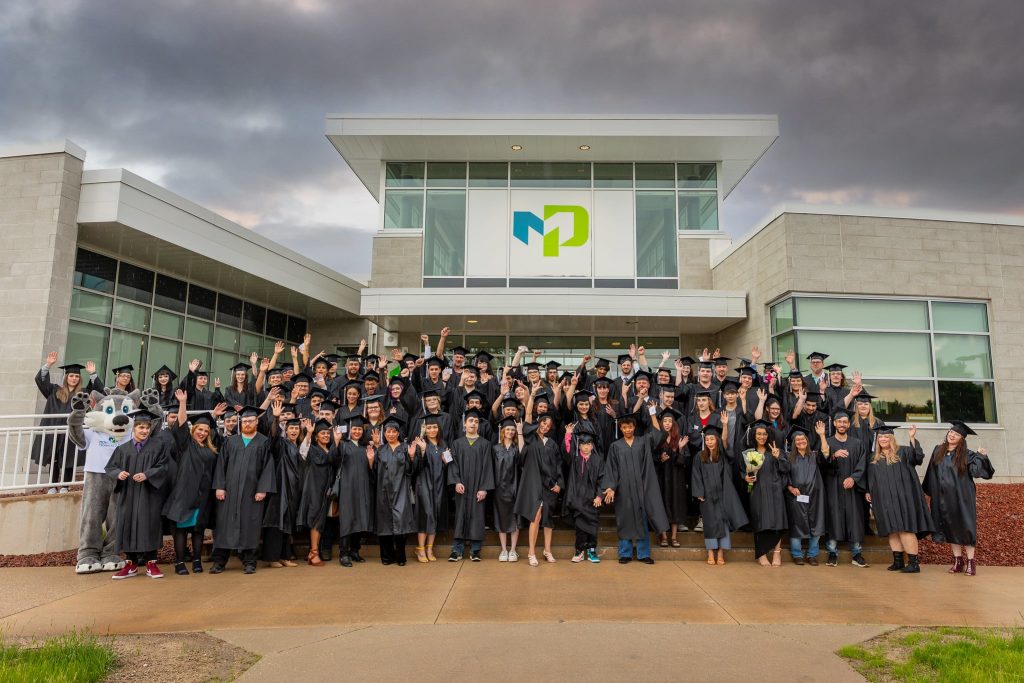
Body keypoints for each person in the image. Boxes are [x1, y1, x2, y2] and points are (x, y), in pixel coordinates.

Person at [922, 421, 995, 576]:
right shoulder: (938, 450)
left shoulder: (967, 454)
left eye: (956, 434)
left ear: (962, 438)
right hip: (943, 498)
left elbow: (977, 472)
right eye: (951, 432)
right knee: (950, 528)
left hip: (962, 498)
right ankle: (958, 561)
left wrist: (981, 457)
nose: (952, 435)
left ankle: (971, 562)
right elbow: (931, 472)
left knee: (966, 528)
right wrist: (931, 491)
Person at [210, 405, 276, 575]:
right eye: (244, 421)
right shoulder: (231, 441)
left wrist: (262, 489)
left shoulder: (263, 442)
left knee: (250, 526)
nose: (247, 424)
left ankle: (249, 561)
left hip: (252, 493)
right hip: (229, 492)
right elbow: (221, 465)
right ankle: (219, 561)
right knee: (224, 526)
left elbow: (268, 467)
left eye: (250, 421)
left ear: (256, 422)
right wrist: (220, 486)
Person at [162, 394, 223, 575]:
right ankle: (180, 563)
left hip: (203, 495)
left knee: (198, 529)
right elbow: (181, 424)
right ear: (193, 429)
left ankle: (197, 561)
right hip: (184, 493)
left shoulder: (211, 448)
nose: (202, 433)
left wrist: (214, 417)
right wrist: (182, 403)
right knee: (181, 529)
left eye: (206, 430)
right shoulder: (186, 444)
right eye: (199, 429)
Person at [105, 408, 170, 579]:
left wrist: (148, 474)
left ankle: (151, 563)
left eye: (147, 427)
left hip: (150, 494)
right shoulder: (122, 449)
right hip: (129, 494)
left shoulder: (158, 447)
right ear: (133, 428)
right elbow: (110, 467)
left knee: (149, 525)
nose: (144, 430)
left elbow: (164, 466)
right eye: (141, 427)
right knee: (127, 524)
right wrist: (118, 474)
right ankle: (131, 564)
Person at [601, 410, 670, 565]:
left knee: (642, 520)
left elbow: (658, 435)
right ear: (621, 428)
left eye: (630, 427)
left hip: (641, 488)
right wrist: (611, 487)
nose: (628, 430)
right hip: (623, 489)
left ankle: (643, 554)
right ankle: (624, 553)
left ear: (634, 427)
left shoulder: (643, 441)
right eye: (625, 427)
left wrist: (653, 415)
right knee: (624, 520)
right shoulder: (615, 446)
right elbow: (611, 468)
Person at [865, 424, 932, 574]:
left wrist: (912, 438)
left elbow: (918, 458)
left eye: (886, 436)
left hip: (904, 498)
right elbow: (871, 477)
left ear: (892, 438)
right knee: (892, 530)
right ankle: (898, 562)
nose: (883, 439)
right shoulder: (874, 457)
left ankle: (914, 563)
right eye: (880, 437)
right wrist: (868, 491)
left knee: (905, 528)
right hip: (884, 498)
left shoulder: (904, 451)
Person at [33, 354, 98, 490]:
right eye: (71, 376)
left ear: (79, 378)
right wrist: (48, 365)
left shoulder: (83, 393)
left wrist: (93, 374)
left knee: (69, 459)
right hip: (55, 430)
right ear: (66, 377)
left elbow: (98, 389)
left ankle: (65, 486)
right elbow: (40, 381)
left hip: (72, 432)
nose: (74, 378)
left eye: (77, 376)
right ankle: (52, 486)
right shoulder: (55, 390)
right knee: (54, 459)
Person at [690, 423, 747, 565]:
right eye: (707, 439)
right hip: (707, 497)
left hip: (722, 495)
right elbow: (696, 475)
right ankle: (710, 552)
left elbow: (727, 445)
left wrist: (725, 425)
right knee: (709, 524)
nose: (709, 442)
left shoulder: (723, 456)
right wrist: (699, 492)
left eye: (712, 439)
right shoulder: (699, 457)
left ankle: (721, 552)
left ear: (717, 440)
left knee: (723, 523)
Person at [514, 413, 563, 567]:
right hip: (535, 483)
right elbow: (528, 418)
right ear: (539, 422)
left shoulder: (552, 444)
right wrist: (531, 399)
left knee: (548, 518)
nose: (545, 427)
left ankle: (547, 550)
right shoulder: (531, 439)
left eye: (548, 426)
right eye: (543, 423)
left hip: (550, 485)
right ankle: (531, 552)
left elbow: (558, 464)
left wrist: (559, 483)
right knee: (535, 516)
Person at [371, 415, 420, 566]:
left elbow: (411, 471)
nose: (391, 434)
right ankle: (386, 557)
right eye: (388, 431)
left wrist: (412, 457)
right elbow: (374, 472)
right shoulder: (380, 450)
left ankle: (400, 556)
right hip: (383, 491)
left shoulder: (406, 448)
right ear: (384, 433)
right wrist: (371, 461)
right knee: (384, 524)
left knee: (401, 523)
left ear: (398, 433)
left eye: (394, 431)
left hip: (401, 490)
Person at [822, 409, 869, 567]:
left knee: (854, 518)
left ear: (849, 424)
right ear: (835, 424)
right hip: (832, 486)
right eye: (839, 422)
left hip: (852, 488)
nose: (842, 424)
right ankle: (832, 553)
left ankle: (857, 553)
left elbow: (863, 463)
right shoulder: (827, 442)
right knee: (833, 517)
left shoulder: (857, 443)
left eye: (845, 422)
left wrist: (854, 478)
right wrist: (833, 456)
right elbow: (820, 463)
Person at [447, 409, 495, 562]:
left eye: (476, 421)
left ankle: (475, 550)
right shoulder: (456, 443)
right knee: (460, 516)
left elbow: (488, 466)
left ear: (479, 425)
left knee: (477, 517)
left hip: (478, 487)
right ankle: (457, 550)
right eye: (470, 421)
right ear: (465, 424)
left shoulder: (485, 444)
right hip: (462, 486)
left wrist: (484, 488)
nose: (473, 424)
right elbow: (453, 464)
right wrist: (456, 481)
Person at [744, 410, 790, 567]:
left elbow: (786, 469)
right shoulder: (750, 453)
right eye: (759, 434)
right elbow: (744, 472)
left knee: (778, 522)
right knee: (760, 522)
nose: (762, 437)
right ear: (754, 435)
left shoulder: (775, 451)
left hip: (775, 490)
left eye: (764, 434)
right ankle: (762, 554)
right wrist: (746, 477)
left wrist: (779, 458)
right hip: (757, 491)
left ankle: (777, 552)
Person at [260, 411, 303, 569]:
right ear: (286, 430)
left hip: (292, 491)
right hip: (280, 489)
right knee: (275, 524)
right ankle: (272, 558)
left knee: (287, 524)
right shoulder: (282, 444)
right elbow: (273, 438)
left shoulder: (298, 446)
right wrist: (276, 418)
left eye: (296, 428)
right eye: (291, 428)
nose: (294, 431)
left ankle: (285, 556)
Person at [297, 419, 341, 566]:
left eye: (327, 433)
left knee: (321, 520)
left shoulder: (331, 449)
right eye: (322, 433)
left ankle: (313, 552)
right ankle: (314, 552)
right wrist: (308, 433)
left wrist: (337, 441)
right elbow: (303, 452)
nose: (326, 435)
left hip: (326, 491)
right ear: (316, 437)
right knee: (316, 519)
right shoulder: (313, 449)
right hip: (314, 489)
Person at [333, 416, 375, 567]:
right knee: (347, 520)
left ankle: (355, 551)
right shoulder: (343, 445)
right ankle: (344, 553)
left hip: (363, 488)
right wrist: (336, 441)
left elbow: (372, 470)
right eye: (355, 429)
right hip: (347, 489)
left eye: (359, 429)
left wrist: (371, 460)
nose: (357, 431)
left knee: (360, 519)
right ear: (350, 430)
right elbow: (333, 459)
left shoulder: (366, 448)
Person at [785, 423, 827, 566]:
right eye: (797, 440)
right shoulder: (788, 457)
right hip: (796, 497)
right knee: (797, 525)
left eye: (803, 439)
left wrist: (822, 435)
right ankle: (797, 555)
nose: (801, 441)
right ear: (793, 443)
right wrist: (790, 487)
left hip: (815, 497)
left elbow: (826, 454)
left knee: (816, 524)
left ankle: (812, 555)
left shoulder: (815, 456)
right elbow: (784, 475)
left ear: (807, 441)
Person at [562, 424, 605, 563]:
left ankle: (592, 551)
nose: (586, 447)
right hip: (578, 499)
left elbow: (602, 479)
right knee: (580, 527)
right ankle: (579, 550)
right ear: (579, 446)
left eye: (588, 444)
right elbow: (566, 452)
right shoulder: (575, 459)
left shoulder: (598, 460)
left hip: (593, 500)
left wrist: (599, 496)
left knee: (592, 526)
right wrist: (568, 435)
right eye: (583, 444)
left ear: (592, 446)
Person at [412, 414, 449, 563]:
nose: (432, 430)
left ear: (439, 429)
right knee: (425, 514)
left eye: (434, 427)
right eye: (429, 427)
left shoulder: (443, 446)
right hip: (424, 484)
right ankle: (420, 549)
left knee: (435, 515)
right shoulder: (420, 443)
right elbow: (415, 467)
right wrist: (422, 451)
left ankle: (429, 549)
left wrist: (446, 462)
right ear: (424, 429)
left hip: (439, 485)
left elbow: (448, 467)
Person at [654, 407, 690, 547]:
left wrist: (680, 449)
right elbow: (652, 458)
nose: (667, 423)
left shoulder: (680, 439)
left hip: (676, 478)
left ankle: (674, 537)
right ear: (661, 423)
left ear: (674, 423)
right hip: (662, 478)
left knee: (675, 504)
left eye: (670, 421)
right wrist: (660, 459)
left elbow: (683, 462)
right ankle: (663, 536)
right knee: (661, 505)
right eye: (665, 421)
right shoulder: (658, 438)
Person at [492, 416, 522, 562]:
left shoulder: (517, 448)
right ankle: (504, 550)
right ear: (503, 431)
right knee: (501, 519)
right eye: (508, 429)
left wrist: (520, 431)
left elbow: (523, 458)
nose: (510, 432)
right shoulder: (495, 449)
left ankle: (513, 550)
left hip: (515, 488)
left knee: (514, 520)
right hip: (499, 490)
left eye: (512, 430)